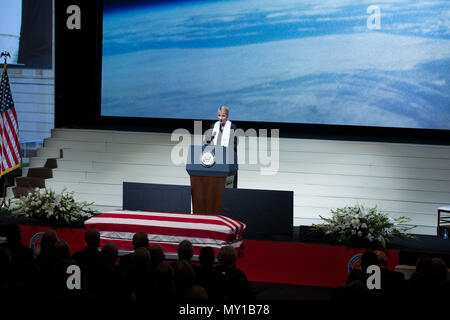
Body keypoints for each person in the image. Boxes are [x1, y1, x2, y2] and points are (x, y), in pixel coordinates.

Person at [209, 105, 238, 188]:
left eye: (223, 116)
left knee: (228, 186)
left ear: (227, 116)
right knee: (216, 186)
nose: (220, 118)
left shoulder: (233, 127)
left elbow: (235, 146)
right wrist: (210, 145)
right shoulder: (213, 126)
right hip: (215, 161)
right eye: (219, 115)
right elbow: (208, 142)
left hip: (228, 161)